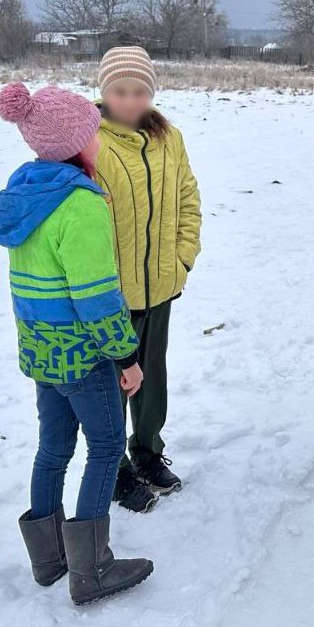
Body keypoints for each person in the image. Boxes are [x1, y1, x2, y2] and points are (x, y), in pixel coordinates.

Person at [0, 82, 154, 605]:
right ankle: (92, 569)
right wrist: (126, 356)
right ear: (78, 143)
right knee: (105, 447)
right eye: (94, 133)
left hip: (42, 352)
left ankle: (49, 560)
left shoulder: (27, 194)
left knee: (53, 449)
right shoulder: (79, 205)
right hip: (82, 355)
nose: (101, 140)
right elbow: (98, 297)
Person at [93, 46, 202, 513]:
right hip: (110, 293)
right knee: (115, 382)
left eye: (140, 91)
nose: (131, 101)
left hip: (160, 285)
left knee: (152, 376)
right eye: (120, 91)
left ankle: (148, 452)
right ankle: (113, 467)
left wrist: (182, 259)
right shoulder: (89, 140)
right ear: (104, 92)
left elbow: (187, 198)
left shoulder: (169, 137)